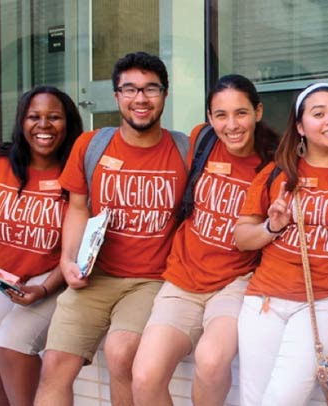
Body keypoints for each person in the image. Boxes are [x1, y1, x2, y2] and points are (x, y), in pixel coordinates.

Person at [34, 51, 188, 406]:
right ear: (116, 96)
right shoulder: (91, 146)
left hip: (152, 279)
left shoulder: (184, 150)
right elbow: (76, 207)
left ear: (165, 94)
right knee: (55, 365)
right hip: (94, 275)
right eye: (130, 89)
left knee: (122, 352)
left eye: (151, 89)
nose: (141, 99)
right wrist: (67, 261)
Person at [131, 74, 277, 406]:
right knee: (144, 377)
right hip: (182, 279)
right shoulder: (202, 141)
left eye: (240, 113)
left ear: (257, 111)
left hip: (235, 282)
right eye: (221, 115)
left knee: (211, 361)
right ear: (210, 118)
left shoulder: (273, 162)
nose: (232, 125)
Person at [233, 82, 328, 405]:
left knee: (281, 398)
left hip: (326, 302)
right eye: (318, 114)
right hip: (264, 301)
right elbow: (241, 238)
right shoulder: (278, 172)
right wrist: (272, 226)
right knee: (254, 399)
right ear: (299, 126)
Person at [0, 86, 82, 406]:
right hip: (3, 278)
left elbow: (79, 250)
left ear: (67, 124)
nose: (44, 125)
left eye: (54, 117)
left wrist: (43, 289)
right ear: (21, 122)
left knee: (12, 342)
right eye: (34, 117)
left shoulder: (76, 173)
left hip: (53, 279)